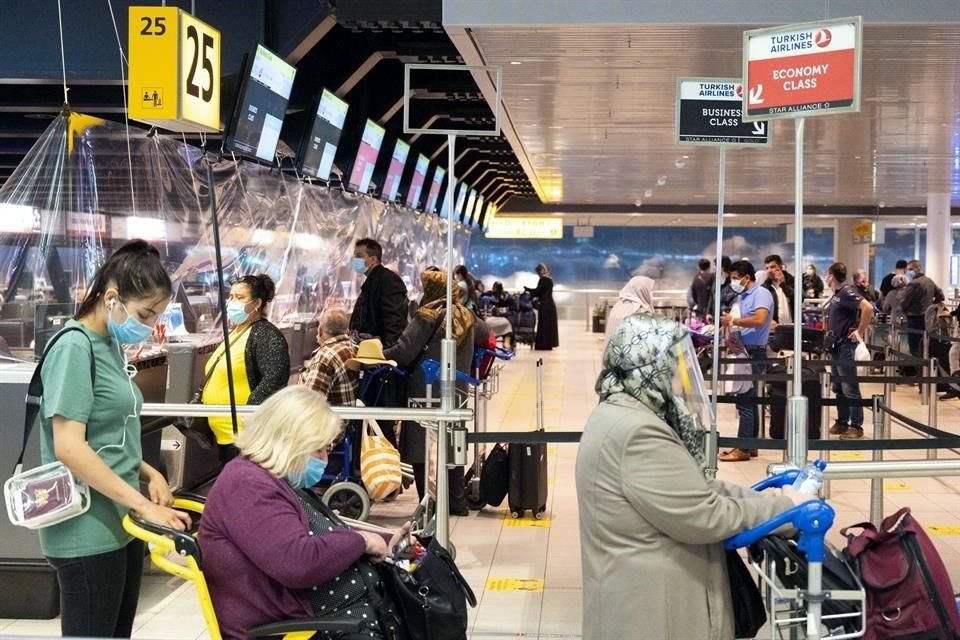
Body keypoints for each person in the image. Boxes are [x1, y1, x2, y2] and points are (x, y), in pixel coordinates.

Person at [576, 312, 803, 640]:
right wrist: (788, 510)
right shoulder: (639, 432)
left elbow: (693, 490)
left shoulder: (621, 413)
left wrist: (764, 500)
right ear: (651, 367)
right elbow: (704, 515)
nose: (683, 379)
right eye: (676, 365)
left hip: (641, 601)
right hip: (656, 614)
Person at [39, 240, 191, 638]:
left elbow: (105, 434)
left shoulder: (108, 344)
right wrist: (144, 504)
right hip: (85, 525)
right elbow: (69, 446)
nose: (149, 324)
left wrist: (148, 473)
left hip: (119, 518)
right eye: (145, 313)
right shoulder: (74, 347)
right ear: (112, 298)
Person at [199, 386, 410, 640]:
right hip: (302, 627)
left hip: (327, 616)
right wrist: (362, 541)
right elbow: (297, 562)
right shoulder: (246, 486)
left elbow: (319, 534)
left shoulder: (271, 478)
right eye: (318, 449)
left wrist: (386, 543)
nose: (323, 458)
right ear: (289, 443)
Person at [384, 270, 475, 515]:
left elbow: (404, 350)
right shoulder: (466, 315)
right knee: (452, 441)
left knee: (420, 444)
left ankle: (429, 502)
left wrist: (379, 353)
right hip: (456, 390)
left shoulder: (428, 314)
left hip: (425, 389)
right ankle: (456, 500)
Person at [202, 274, 290, 464]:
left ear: (257, 303)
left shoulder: (265, 334)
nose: (232, 302)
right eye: (231, 297)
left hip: (246, 437)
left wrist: (250, 413)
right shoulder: (236, 332)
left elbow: (275, 378)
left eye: (240, 297)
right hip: (226, 436)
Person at [719, 260, 773, 462]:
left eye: (735, 278)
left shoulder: (761, 294)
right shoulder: (742, 296)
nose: (733, 282)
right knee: (750, 399)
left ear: (746, 278)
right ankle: (751, 445)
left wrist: (733, 321)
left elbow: (759, 320)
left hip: (753, 353)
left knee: (745, 401)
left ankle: (743, 447)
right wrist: (730, 335)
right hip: (743, 349)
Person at [824, 263, 874, 440]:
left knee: (849, 387)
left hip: (845, 345)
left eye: (828, 275)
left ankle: (856, 425)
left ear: (831, 276)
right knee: (838, 387)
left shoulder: (846, 292)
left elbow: (868, 308)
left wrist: (860, 331)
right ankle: (842, 421)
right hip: (835, 345)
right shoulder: (837, 295)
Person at [349, 238, 408, 348]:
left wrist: (385, 352)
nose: (355, 260)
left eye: (359, 256)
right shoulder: (371, 282)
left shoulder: (388, 280)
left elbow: (394, 323)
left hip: (378, 354)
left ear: (373, 259)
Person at [299, 308, 358, 406]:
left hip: (331, 419)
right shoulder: (351, 347)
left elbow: (309, 403)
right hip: (349, 417)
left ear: (320, 331)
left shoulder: (325, 358)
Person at [901, 260, 945, 358]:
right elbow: (941, 295)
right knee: (926, 346)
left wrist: (905, 311)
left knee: (915, 347)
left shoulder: (913, 284)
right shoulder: (929, 281)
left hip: (914, 318)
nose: (908, 272)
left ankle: (919, 370)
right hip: (928, 319)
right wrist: (932, 306)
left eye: (910, 269)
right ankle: (926, 369)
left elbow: (904, 302)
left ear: (918, 269)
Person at [605, 275, 655, 341]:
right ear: (643, 290)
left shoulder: (618, 306)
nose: (651, 293)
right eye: (650, 290)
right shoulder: (640, 311)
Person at [524, 263, 559, 351]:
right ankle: (548, 344)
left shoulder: (543, 280)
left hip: (545, 305)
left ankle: (543, 344)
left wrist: (527, 290)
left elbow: (537, 292)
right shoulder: (549, 279)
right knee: (548, 325)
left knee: (544, 325)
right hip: (550, 304)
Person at [762, 254, 795, 328]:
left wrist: (783, 284)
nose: (769, 270)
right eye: (767, 268)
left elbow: (800, 299)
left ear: (780, 267)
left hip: (793, 328)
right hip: (774, 329)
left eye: (772, 267)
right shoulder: (765, 287)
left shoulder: (792, 281)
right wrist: (767, 320)